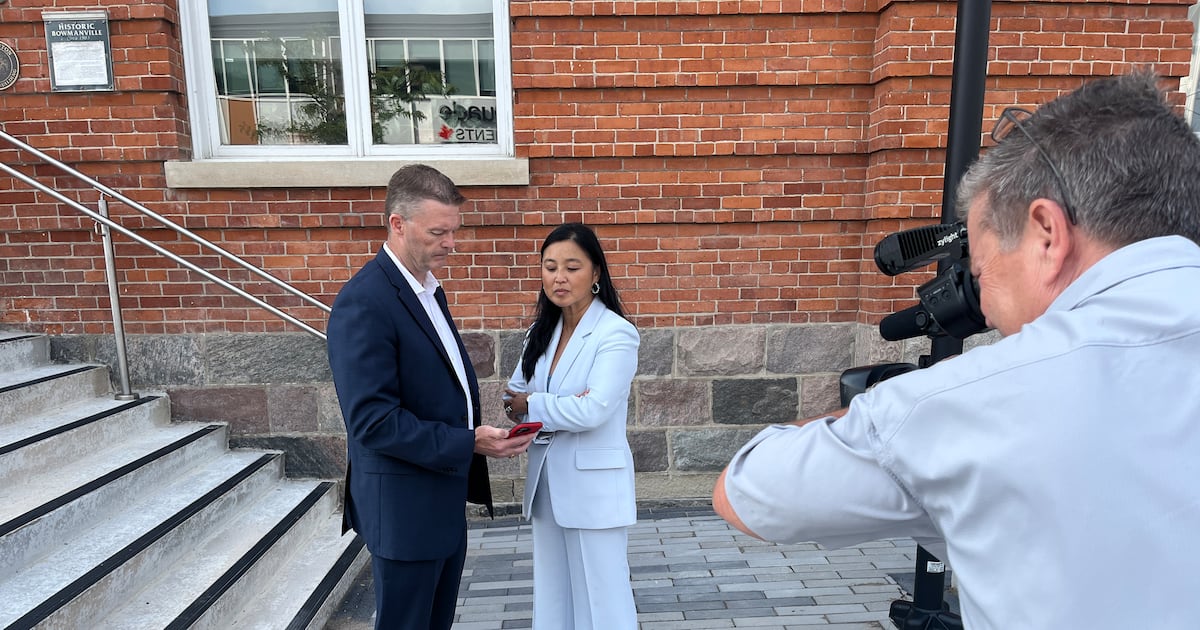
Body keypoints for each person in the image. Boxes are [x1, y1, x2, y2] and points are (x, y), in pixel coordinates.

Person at [713, 70, 1200, 629]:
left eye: (981, 270)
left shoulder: (985, 397)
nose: (983, 306)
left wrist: (887, 406)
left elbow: (746, 491)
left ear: (1047, 234)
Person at [326, 164, 535, 630]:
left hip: (439, 502)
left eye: (454, 231)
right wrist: (468, 442)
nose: (451, 243)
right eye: (438, 232)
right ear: (397, 224)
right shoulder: (365, 301)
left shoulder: (426, 290)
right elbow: (373, 422)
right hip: (404, 511)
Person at [502, 223, 640, 630]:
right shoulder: (541, 332)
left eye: (571, 267)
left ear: (595, 272)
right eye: (550, 267)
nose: (558, 278)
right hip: (547, 484)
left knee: (604, 600)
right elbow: (513, 397)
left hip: (595, 487)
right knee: (553, 597)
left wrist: (535, 404)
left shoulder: (616, 333)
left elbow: (593, 410)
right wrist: (547, 405)